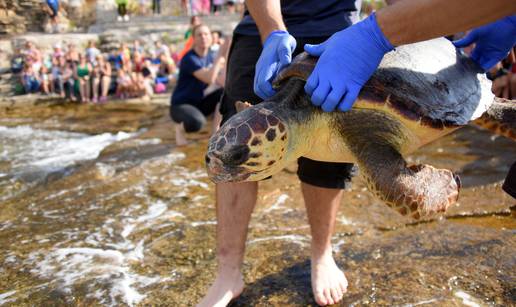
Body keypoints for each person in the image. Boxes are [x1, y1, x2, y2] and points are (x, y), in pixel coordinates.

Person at [198, 1, 360, 306]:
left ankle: (321, 253)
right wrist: (271, 29)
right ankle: (227, 272)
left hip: (336, 30)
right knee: (236, 146)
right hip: (260, 22)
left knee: (327, 148)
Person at [170, 24, 226, 146]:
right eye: (199, 35)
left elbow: (222, 81)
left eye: (206, 34)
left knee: (224, 93)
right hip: (181, 105)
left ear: (211, 37)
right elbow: (209, 78)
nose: (203, 37)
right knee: (197, 123)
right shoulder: (189, 58)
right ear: (194, 39)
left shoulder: (211, 56)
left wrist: (226, 56)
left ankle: (215, 134)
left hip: (199, 102)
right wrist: (220, 56)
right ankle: (179, 128)